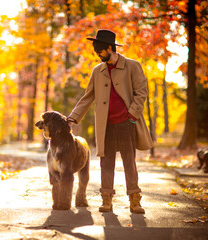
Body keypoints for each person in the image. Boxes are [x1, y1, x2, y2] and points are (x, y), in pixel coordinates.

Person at [67, 29, 153, 214]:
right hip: (105, 126)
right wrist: (72, 118)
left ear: (109, 48)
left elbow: (141, 92)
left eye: (100, 51)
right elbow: (87, 97)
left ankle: (135, 201)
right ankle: (106, 200)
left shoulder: (132, 66)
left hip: (126, 123)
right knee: (106, 163)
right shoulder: (97, 71)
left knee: (129, 162)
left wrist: (132, 115)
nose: (98, 55)